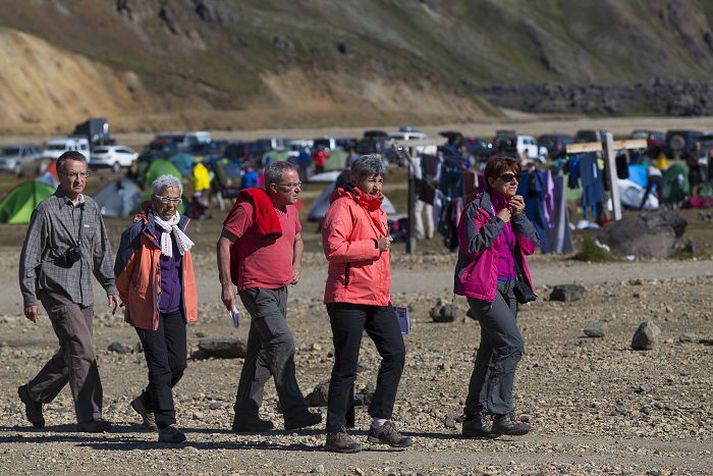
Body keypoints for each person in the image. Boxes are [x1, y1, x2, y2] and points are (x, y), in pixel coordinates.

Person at [18, 151, 120, 432]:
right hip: (56, 290)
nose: (78, 180)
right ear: (60, 177)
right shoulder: (46, 210)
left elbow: (101, 251)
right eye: (72, 174)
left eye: (83, 174)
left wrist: (111, 286)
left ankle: (33, 393)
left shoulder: (92, 208)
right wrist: (29, 297)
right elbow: (30, 257)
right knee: (83, 350)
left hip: (84, 292)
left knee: (72, 351)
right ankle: (90, 417)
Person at [217, 161, 321, 432]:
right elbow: (224, 242)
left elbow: (298, 238)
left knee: (261, 353)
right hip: (255, 287)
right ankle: (295, 412)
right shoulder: (249, 207)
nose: (297, 190)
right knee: (281, 340)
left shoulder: (290, 208)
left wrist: (296, 265)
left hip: (280, 289)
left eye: (299, 184)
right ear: (274, 187)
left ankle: (245, 416)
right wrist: (227, 285)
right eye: (291, 186)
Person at [321, 155, 413, 453]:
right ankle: (336, 431)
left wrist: (385, 291)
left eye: (379, 179)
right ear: (356, 179)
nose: (376, 185)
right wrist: (374, 246)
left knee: (395, 353)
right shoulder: (342, 207)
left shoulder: (378, 209)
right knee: (347, 364)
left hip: (376, 296)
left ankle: (380, 423)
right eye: (370, 179)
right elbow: (334, 249)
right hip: (346, 296)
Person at [454, 154, 539, 438]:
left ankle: (473, 418)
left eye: (516, 177)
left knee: (491, 350)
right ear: (491, 181)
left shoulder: (512, 208)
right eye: (507, 177)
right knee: (512, 345)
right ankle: (501, 412)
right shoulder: (477, 209)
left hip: (510, 287)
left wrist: (520, 217)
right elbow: (473, 245)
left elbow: (530, 246)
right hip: (483, 288)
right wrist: (499, 220)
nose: (514, 181)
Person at [114, 175, 197, 444]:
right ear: (155, 199)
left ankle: (145, 401)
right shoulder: (138, 231)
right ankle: (167, 424)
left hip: (175, 308)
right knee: (159, 367)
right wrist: (133, 300)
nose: (171, 204)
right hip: (147, 309)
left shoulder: (181, 229)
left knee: (178, 365)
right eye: (165, 199)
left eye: (175, 199)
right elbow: (122, 273)